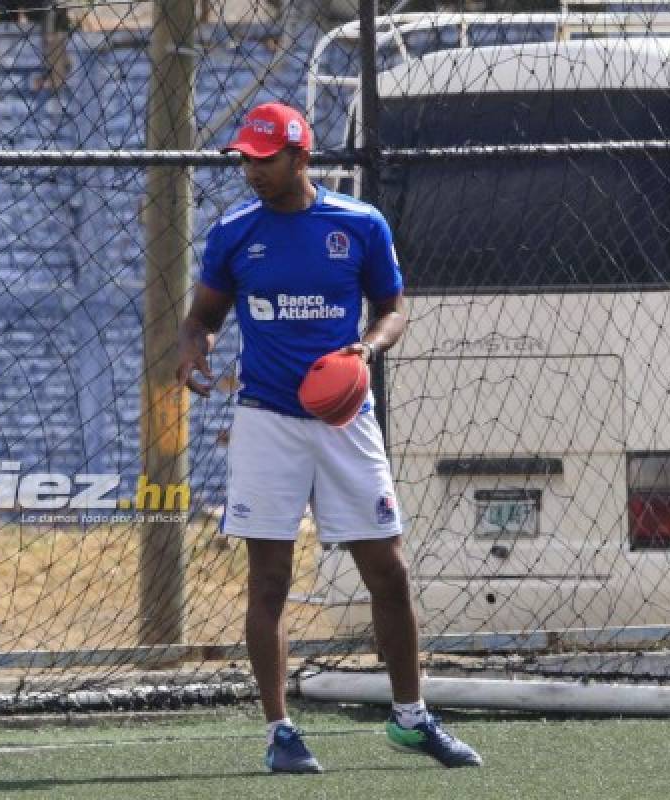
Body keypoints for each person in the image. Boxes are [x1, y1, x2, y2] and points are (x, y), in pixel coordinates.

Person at [177, 102, 482, 773]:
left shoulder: (359, 224)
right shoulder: (234, 233)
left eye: (265, 158)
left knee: (388, 571)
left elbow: (393, 309)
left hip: (345, 419)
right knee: (270, 580)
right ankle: (281, 732)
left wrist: (366, 350)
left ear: (300, 156)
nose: (252, 170)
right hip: (265, 421)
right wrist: (192, 346)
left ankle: (410, 717)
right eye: (245, 159)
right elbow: (202, 315)